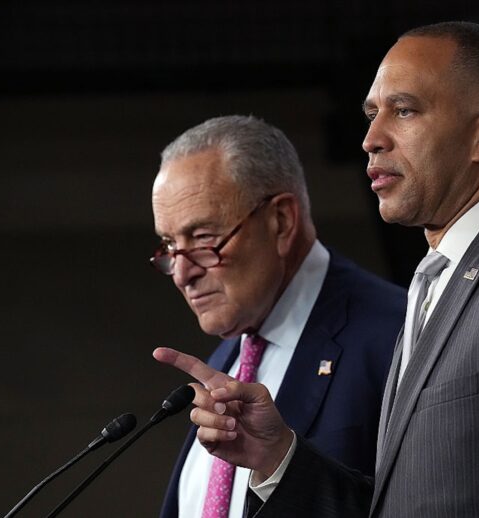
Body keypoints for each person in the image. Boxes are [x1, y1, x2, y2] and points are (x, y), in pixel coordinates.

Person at [156, 22, 479, 517]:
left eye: (405, 110)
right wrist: (277, 458)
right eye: (372, 114)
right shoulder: (436, 279)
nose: (371, 139)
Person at [149, 115, 406, 518]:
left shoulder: (399, 336)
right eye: (169, 245)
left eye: (203, 239)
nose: (182, 274)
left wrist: (281, 465)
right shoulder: (225, 364)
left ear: (281, 221)